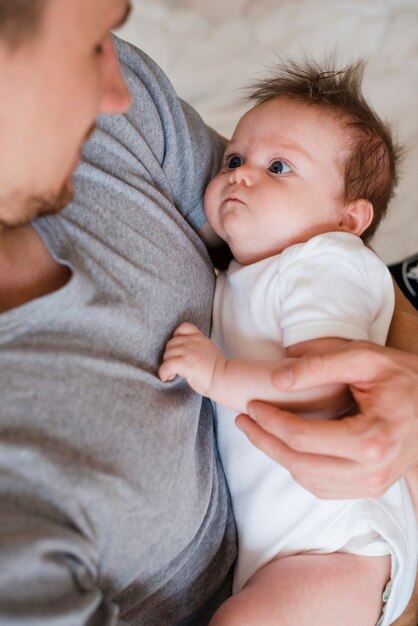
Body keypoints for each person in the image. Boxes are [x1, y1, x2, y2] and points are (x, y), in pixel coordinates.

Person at [0, 0, 417, 623]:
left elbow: (314, 232)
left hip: (335, 549)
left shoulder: (120, 120)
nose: (118, 91)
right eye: (87, 47)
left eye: (272, 167)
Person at [159, 59, 418, 626]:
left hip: (336, 549)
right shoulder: (244, 274)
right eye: (234, 159)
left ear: (349, 220)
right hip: (292, 549)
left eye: (279, 167)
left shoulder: (325, 263)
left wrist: (216, 374)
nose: (240, 175)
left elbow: (321, 393)